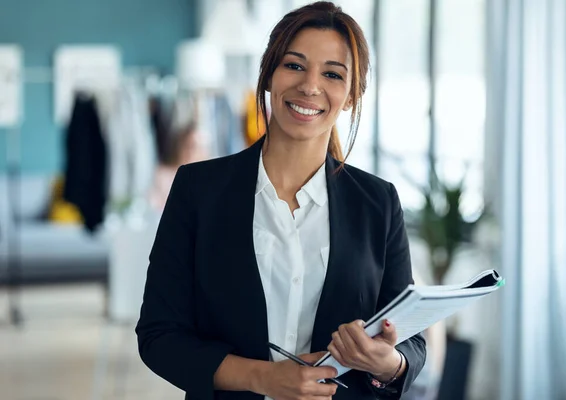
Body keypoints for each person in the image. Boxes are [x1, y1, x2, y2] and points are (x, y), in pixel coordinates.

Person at [135, 2, 426, 399]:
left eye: (332, 74)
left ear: (352, 96)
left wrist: (387, 363)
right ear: (269, 74)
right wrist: (264, 378)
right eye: (294, 65)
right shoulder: (197, 190)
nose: (310, 86)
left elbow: (411, 344)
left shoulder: (378, 202)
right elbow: (159, 336)